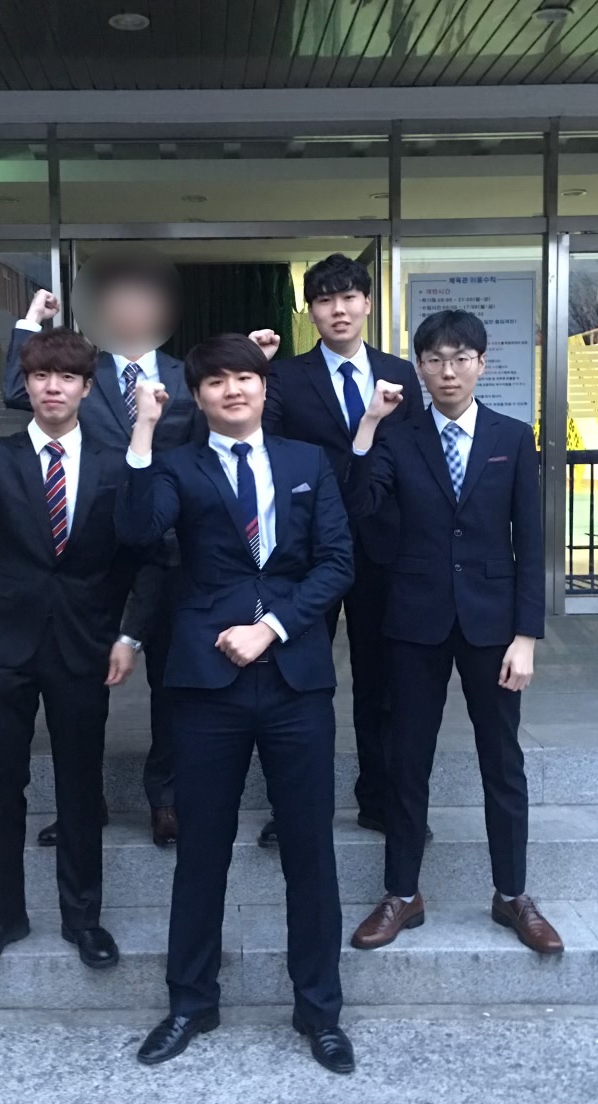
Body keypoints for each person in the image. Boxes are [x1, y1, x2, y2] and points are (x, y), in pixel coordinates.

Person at [119, 335, 356, 1075]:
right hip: (205, 685)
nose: (232, 390)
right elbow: (135, 530)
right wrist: (144, 429)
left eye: (244, 377)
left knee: (310, 851)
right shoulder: (176, 465)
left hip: (294, 680)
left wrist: (271, 627)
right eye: (216, 381)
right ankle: (190, 1002)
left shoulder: (307, 462)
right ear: (198, 396)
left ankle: (319, 1011)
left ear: (263, 386)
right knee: (201, 852)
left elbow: (337, 563)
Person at [344, 309, 564, 957]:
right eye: (435, 359)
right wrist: (368, 425)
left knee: (503, 761)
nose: (448, 371)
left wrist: (526, 636)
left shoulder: (512, 437)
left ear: (482, 364)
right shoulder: (396, 435)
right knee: (407, 759)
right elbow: (360, 507)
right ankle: (402, 894)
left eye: (461, 358)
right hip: (415, 621)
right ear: (418, 367)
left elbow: (530, 540)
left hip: (494, 626)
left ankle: (512, 894)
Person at [0, 328, 162, 971]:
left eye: (66, 377)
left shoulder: (117, 461)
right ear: (27, 384)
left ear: (87, 389)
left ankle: (83, 919)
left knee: (79, 784)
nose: (52, 388)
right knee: (3, 784)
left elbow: (146, 554)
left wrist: (129, 635)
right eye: (40, 376)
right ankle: (2, 917)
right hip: (8, 643)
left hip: (85, 643)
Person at [5, 267, 200, 849]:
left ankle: (166, 798)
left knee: (171, 682)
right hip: (89, 549)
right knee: (82, 686)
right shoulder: (82, 372)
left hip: (167, 548)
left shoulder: (185, 375)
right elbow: (18, 391)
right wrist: (30, 323)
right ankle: (84, 802)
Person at [254, 252, 424, 848]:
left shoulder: (400, 373)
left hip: (383, 547)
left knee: (383, 682)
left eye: (349, 296)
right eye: (325, 300)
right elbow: (266, 451)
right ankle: (295, 807)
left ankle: (379, 800)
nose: (339, 309)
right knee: (300, 679)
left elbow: (413, 460)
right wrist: (254, 368)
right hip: (307, 550)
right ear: (311, 311)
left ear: (368, 303)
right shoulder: (285, 377)